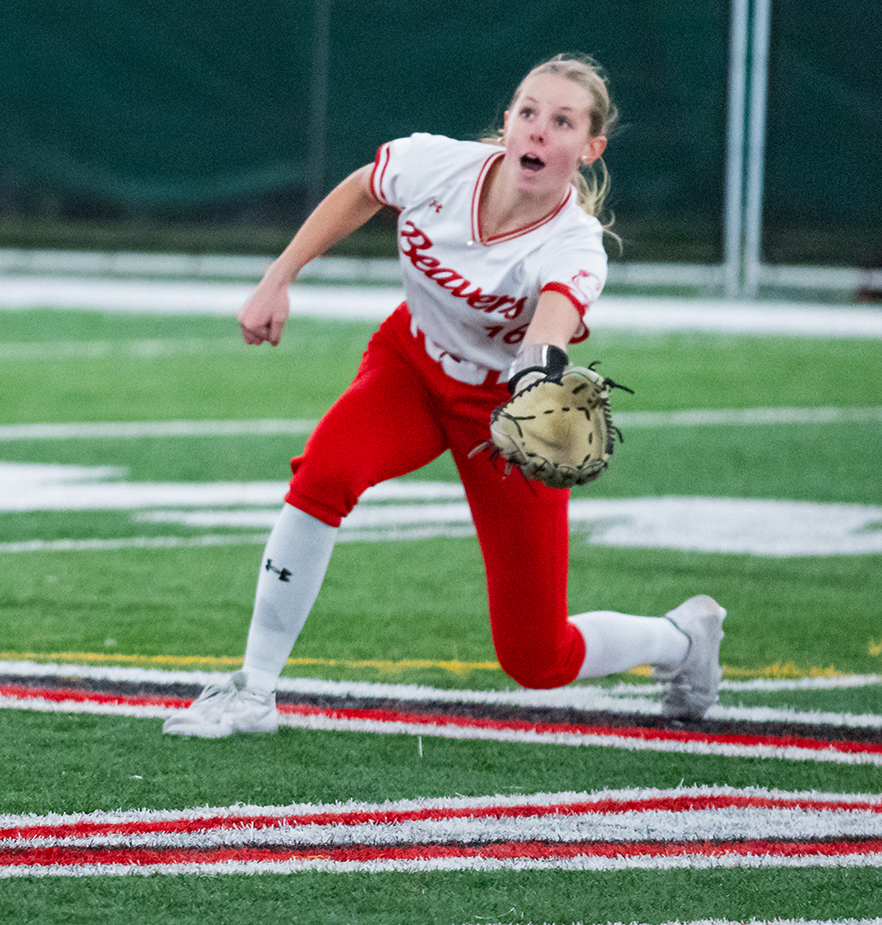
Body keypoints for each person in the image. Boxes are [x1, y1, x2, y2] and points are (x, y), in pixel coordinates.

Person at [163, 54, 727, 740]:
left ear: (589, 148)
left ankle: (681, 639)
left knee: (535, 656)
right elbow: (363, 189)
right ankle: (253, 690)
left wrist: (534, 384)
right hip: (411, 366)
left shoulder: (574, 245)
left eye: (562, 121)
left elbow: (549, 326)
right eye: (527, 112)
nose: (538, 130)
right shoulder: (438, 165)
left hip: (501, 414)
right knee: (323, 474)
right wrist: (279, 275)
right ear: (507, 124)